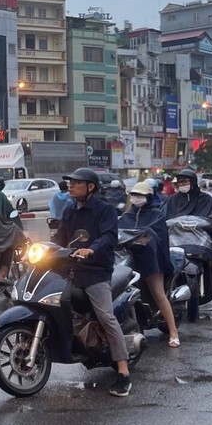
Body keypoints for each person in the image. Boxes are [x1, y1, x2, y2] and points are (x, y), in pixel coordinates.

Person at [54, 168, 132, 397]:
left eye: (77, 183)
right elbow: (60, 237)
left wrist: (92, 249)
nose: (71, 186)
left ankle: (124, 372)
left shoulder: (104, 210)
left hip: (96, 271)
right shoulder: (70, 211)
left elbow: (109, 236)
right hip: (71, 269)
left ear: (91, 187)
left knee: (106, 317)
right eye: (70, 182)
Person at [118, 182, 181, 348]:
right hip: (127, 261)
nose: (136, 198)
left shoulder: (156, 215)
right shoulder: (125, 217)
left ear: (148, 197)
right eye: (134, 195)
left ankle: (173, 332)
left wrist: (144, 238)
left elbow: (156, 237)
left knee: (158, 293)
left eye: (140, 195)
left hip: (150, 259)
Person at [163, 168, 212, 317]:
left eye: (185, 181)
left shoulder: (206, 199)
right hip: (176, 241)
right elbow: (162, 218)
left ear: (192, 183)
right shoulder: (172, 200)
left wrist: (211, 223)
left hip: (202, 241)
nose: (182, 184)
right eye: (180, 182)